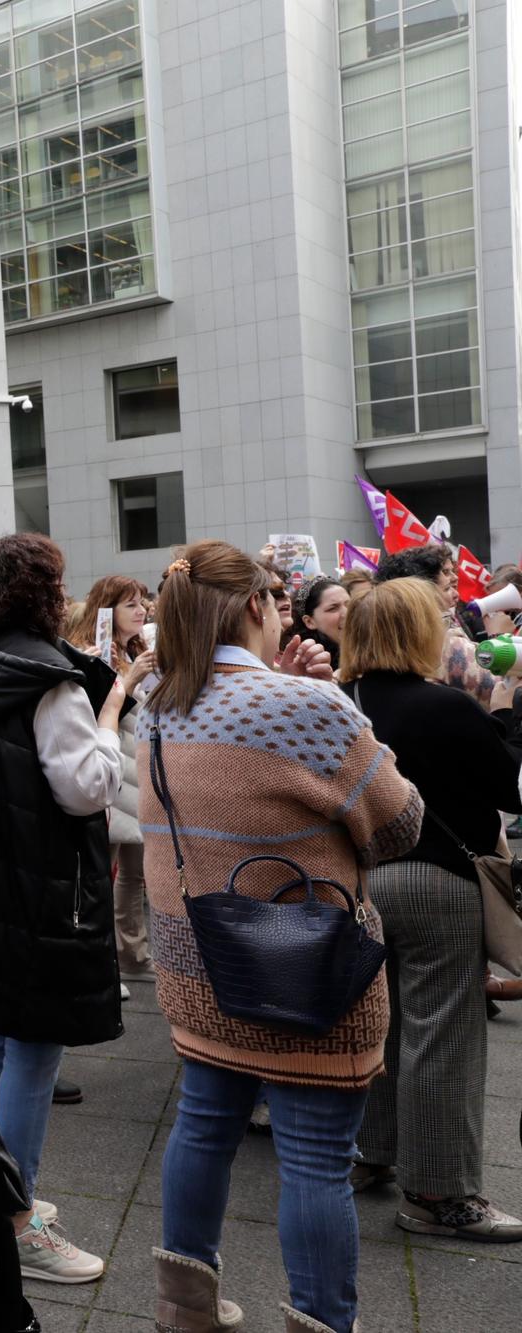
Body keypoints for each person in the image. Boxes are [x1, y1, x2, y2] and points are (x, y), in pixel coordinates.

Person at [141, 539, 419, 1333]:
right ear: (258, 606)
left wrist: (293, 695)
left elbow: (234, 786)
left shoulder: (158, 703)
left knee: (202, 1125)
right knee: (314, 1160)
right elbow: (401, 822)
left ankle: (183, 1304)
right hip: (310, 976)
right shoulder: (312, 709)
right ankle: (322, 1322)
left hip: (200, 967)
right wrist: (330, 707)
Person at [0, 532, 126, 1285]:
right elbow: (85, 786)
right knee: (32, 1054)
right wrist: (108, 726)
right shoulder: (52, 682)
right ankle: (9, 1220)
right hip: (38, 892)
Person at [340, 578, 522, 1242]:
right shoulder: (448, 707)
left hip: (360, 882)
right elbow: (509, 783)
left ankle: (370, 1152)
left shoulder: (341, 702)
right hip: (440, 880)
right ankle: (438, 1192)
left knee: (377, 1027)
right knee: (441, 1035)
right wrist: (502, 705)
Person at [75, 576, 160, 990]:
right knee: (99, 872)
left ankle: (133, 954)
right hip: (110, 768)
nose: (141, 610)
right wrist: (128, 679)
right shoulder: (89, 651)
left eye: (142, 602)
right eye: (129, 605)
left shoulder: (137, 650)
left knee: (135, 872)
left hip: (137, 766)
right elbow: (93, 712)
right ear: (106, 610)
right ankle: (102, 961)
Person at [377, 543, 496, 706]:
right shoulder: (444, 642)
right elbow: (496, 688)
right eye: (446, 573)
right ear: (423, 587)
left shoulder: (383, 637)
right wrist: (498, 635)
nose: (455, 578)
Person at [298, 577, 350, 670]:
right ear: (309, 622)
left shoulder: (373, 652)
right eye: (333, 608)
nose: (346, 613)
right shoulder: (305, 667)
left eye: (349, 605)